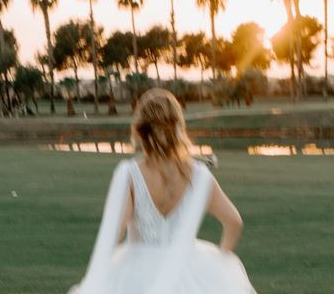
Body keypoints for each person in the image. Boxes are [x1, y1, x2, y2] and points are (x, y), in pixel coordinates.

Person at [70, 88, 255, 294]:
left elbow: (115, 233)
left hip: (136, 272)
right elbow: (233, 221)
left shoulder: (131, 175)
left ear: (140, 131)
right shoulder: (200, 175)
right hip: (187, 267)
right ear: (178, 127)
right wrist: (221, 257)